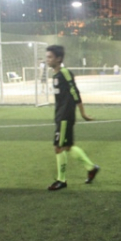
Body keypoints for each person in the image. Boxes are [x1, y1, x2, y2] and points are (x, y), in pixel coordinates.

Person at [45, 45, 100, 191]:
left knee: (58, 147)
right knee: (68, 146)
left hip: (65, 116)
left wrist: (83, 113)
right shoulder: (55, 75)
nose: (47, 60)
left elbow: (75, 92)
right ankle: (91, 167)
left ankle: (61, 180)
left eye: (50, 57)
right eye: (47, 57)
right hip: (60, 115)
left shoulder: (65, 73)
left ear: (59, 58)